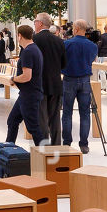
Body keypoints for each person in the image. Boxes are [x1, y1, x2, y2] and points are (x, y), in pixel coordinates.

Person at [62, 19, 98, 154]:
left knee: (67, 113)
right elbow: (91, 60)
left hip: (69, 79)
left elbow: (62, 61)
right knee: (85, 113)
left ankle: (66, 142)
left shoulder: (67, 44)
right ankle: (84, 144)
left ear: (76, 29)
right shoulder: (92, 46)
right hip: (85, 80)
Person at [6, 24, 44, 146]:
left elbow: (27, 76)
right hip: (27, 94)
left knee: (33, 127)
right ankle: (8, 148)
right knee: (12, 120)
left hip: (30, 95)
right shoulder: (34, 49)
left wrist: (13, 79)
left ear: (19, 36)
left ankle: (45, 155)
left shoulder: (28, 51)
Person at [33, 13, 66, 144]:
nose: (34, 24)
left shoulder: (34, 40)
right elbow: (64, 64)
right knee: (55, 117)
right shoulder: (59, 41)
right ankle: (57, 145)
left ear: (40, 23)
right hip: (56, 84)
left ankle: (44, 147)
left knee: (41, 118)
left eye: (35, 21)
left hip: (40, 84)